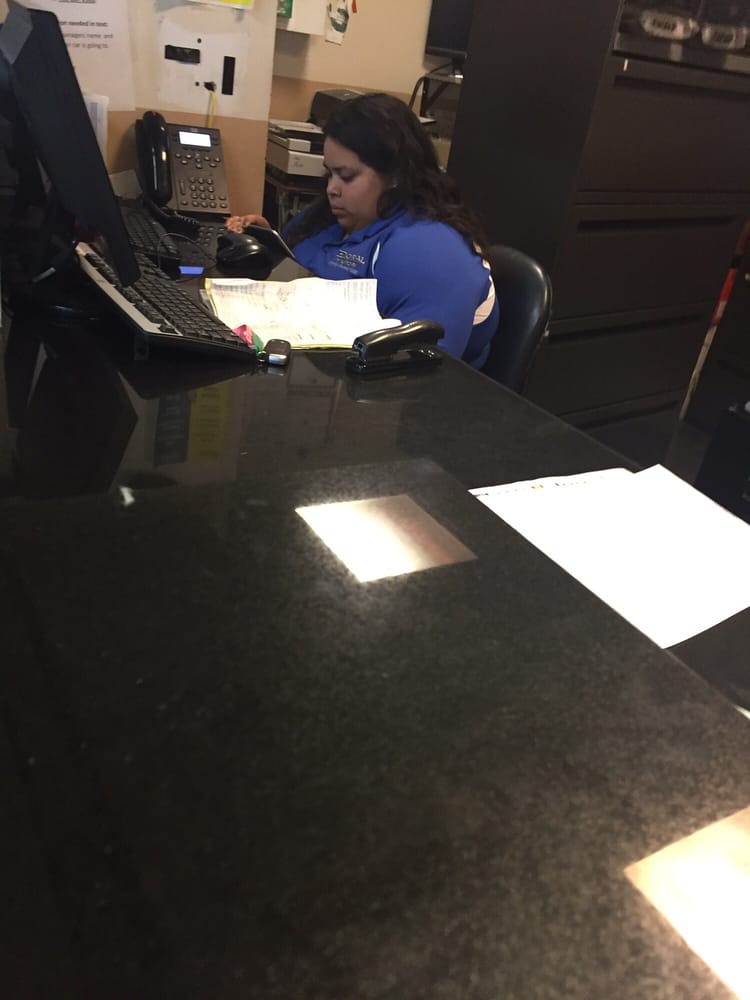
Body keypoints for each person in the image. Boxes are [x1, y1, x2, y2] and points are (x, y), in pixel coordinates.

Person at [227, 92, 499, 368]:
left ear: (394, 175)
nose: (331, 188)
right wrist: (268, 246)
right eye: (329, 173)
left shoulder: (431, 251)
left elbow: (418, 371)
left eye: (346, 176)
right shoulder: (329, 218)